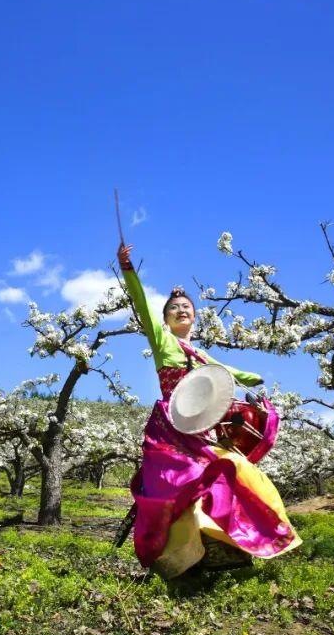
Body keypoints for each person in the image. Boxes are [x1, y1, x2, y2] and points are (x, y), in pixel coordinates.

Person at [117, 243, 300, 579]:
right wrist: (128, 270)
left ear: (195, 315)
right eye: (174, 308)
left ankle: (224, 548)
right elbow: (141, 305)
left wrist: (252, 379)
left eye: (186, 306)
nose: (181, 310)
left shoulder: (200, 355)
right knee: (183, 482)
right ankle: (184, 557)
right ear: (165, 317)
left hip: (202, 427)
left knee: (232, 471)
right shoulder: (162, 341)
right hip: (173, 427)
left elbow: (228, 372)